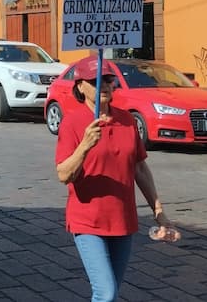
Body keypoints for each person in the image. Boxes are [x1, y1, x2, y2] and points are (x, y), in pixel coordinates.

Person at [55, 56, 173, 302]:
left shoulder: (126, 120)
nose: (105, 86)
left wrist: (158, 210)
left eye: (108, 80)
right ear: (80, 86)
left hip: (122, 219)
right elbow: (64, 174)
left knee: (111, 291)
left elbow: (140, 169)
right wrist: (85, 146)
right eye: (96, 81)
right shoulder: (73, 123)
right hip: (88, 220)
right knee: (105, 294)